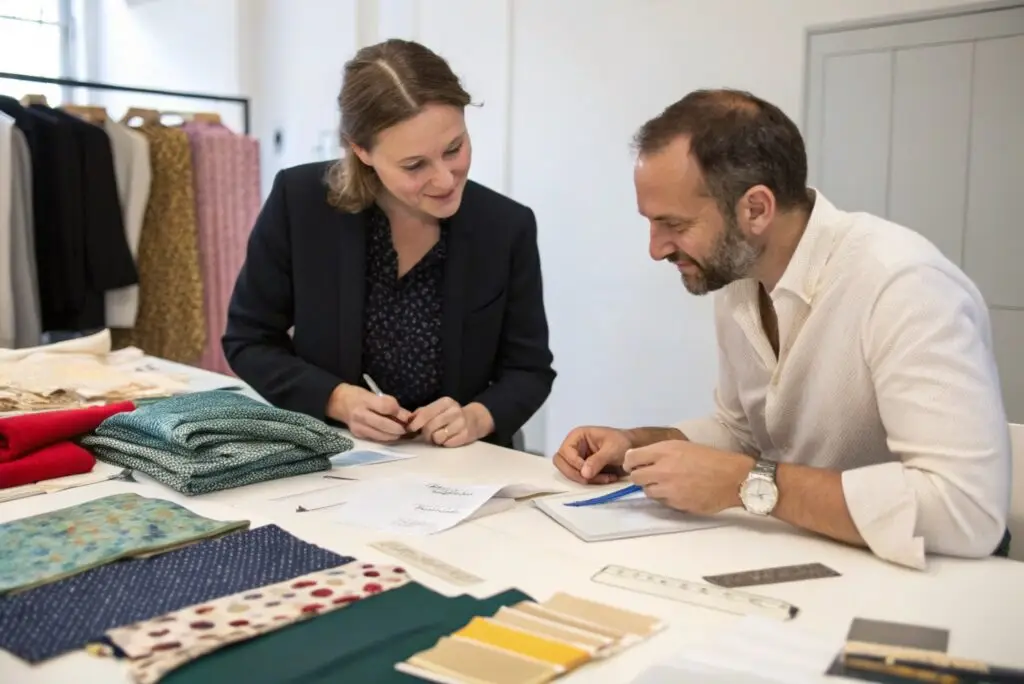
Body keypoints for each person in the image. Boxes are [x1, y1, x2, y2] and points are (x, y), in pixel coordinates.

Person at [553, 89, 1011, 569]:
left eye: (675, 224)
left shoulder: (903, 285)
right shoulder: (738, 277)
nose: (656, 249)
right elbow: (742, 432)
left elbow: (967, 510)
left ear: (755, 209)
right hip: (814, 556)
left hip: (933, 579)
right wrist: (637, 443)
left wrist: (745, 483)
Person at [223, 39, 555, 449]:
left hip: (465, 466)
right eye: (415, 165)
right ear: (361, 150)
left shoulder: (506, 226)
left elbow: (529, 370)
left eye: (455, 149)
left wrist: (475, 417)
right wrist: (338, 400)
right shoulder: (300, 201)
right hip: (335, 460)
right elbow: (248, 339)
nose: (446, 180)